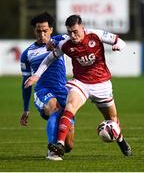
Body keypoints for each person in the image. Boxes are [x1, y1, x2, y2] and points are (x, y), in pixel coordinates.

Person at [24, 14, 132, 158]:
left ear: (82, 27)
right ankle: (59, 144)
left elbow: (120, 41)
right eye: (70, 32)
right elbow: (49, 58)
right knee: (69, 107)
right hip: (81, 83)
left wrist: (118, 45)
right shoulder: (66, 44)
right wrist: (36, 75)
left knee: (112, 118)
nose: (73, 35)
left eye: (75, 31)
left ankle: (121, 141)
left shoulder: (96, 34)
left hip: (102, 84)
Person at [20, 12, 74, 161]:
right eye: (38, 31)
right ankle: (52, 150)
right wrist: (26, 109)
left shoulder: (60, 41)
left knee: (69, 145)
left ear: (51, 29)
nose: (42, 34)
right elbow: (25, 82)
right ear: (34, 31)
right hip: (43, 91)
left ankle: (60, 146)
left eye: (45, 30)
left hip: (62, 91)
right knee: (54, 107)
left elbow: (77, 38)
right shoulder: (27, 54)